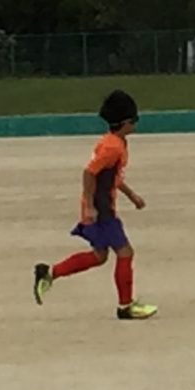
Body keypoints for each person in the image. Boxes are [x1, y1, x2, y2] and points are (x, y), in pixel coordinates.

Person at [32, 90, 157, 320]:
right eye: (134, 120)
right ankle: (125, 306)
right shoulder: (113, 147)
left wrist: (131, 195)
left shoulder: (113, 142)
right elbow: (89, 173)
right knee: (125, 252)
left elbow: (111, 176)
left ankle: (49, 272)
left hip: (101, 206)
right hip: (102, 209)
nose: (136, 125)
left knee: (100, 256)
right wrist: (90, 206)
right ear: (124, 123)